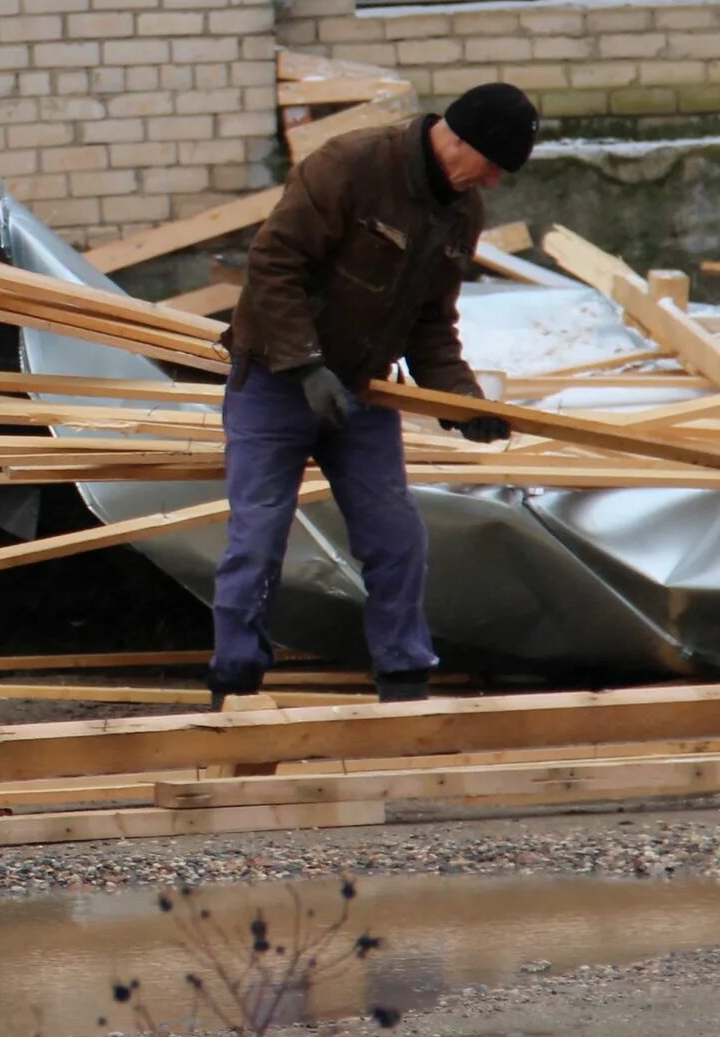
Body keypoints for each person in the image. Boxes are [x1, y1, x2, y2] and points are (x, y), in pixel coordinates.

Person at [209, 81, 541, 708]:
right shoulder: (350, 164)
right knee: (256, 539)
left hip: (360, 393)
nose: (494, 182)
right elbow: (273, 264)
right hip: (275, 382)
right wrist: (306, 369)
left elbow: (432, 323)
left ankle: (403, 680)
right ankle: (235, 683)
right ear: (460, 138)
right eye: (494, 165)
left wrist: (462, 403)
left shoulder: (461, 210)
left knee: (397, 537)